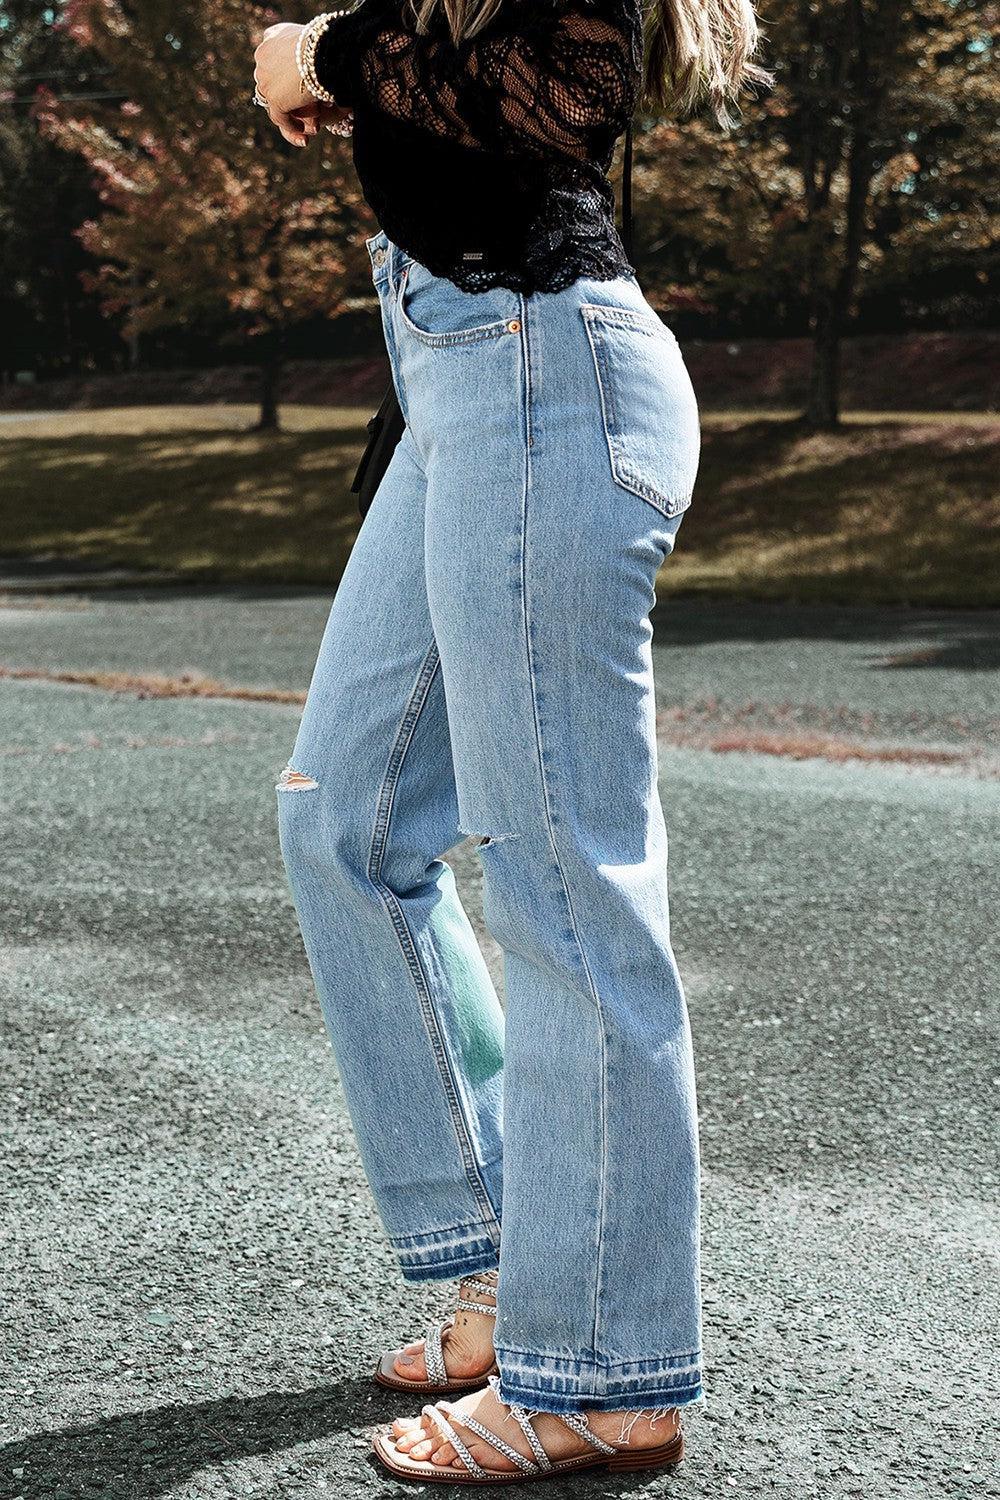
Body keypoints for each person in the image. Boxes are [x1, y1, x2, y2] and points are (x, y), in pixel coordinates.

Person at [254, 0, 767, 1482]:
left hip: (545, 378)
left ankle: (601, 1371)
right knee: (343, 818)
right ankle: (507, 1261)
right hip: (468, 386)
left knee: (563, 886)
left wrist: (319, 52)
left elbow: (555, 83)